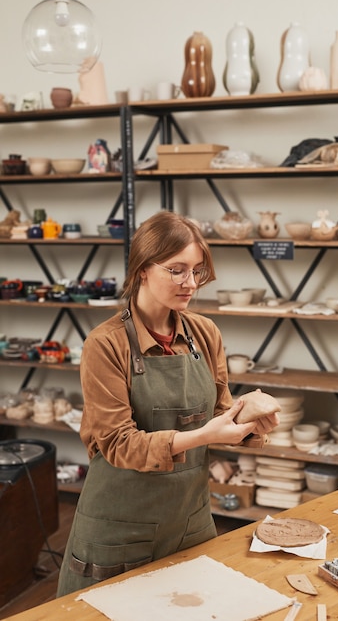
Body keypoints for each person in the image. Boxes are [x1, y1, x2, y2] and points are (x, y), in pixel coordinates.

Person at [57, 210, 279, 596]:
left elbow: (219, 414)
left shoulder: (204, 333)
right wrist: (202, 435)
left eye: (197, 271)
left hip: (189, 520)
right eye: (177, 270)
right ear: (143, 268)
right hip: (120, 528)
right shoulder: (105, 345)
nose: (190, 283)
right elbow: (117, 444)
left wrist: (247, 425)